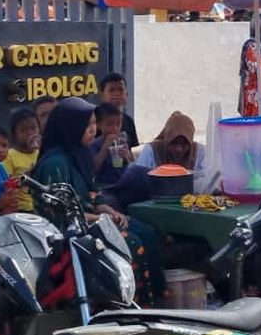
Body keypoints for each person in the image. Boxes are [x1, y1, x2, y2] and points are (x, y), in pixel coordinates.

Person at [31, 97, 166, 305]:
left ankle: (158, 300)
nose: (93, 130)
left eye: (94, 123)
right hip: (70, 232)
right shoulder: (55, 164)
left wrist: (110, 213)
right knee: (131, 243)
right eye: (87, 125)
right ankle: (133, 305)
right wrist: (101, 218)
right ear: (72, 126)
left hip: (93, 220)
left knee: (147, 232)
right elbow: (60, 213)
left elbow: (93, 196)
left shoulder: (80, 153)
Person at [2, 107, 41, 212]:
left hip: (41, 205)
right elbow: (6, 185)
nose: (30, 133)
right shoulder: (10, 156)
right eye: (23, 130)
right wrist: (25, 178)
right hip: (22, 209)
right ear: (14, 135)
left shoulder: (41, 153)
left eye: (33, 128)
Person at [90, 103, 133, 187]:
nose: (115, 128)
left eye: (118, 124)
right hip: (104, 186)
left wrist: (126, 155)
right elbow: (93, 169)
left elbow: (131, 163)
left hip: (122, 183)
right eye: (109, 124)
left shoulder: (121, 141)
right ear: (98, 125)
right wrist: (105, 146)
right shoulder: (95, 144)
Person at [99, 74, 139, 148]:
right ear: (102, 96)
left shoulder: (129, 121)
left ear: (126, 95)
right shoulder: (95, 120)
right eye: (111, 90)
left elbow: (134, 150)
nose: (117, 94)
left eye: (120, 90)